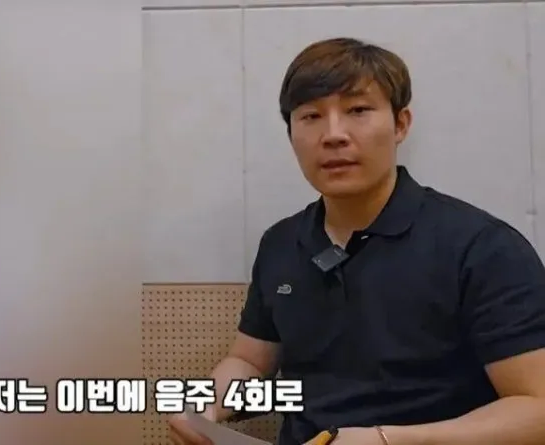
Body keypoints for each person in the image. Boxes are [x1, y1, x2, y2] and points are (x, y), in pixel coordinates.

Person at [168, 37, 545, 445]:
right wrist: (204, 407)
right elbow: (249, 362)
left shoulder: (482, 247)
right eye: (311, 116)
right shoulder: (282, 242)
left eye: (358, 111)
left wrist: (388, 441)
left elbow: (536, 406)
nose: (333, 135)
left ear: (400, 124)